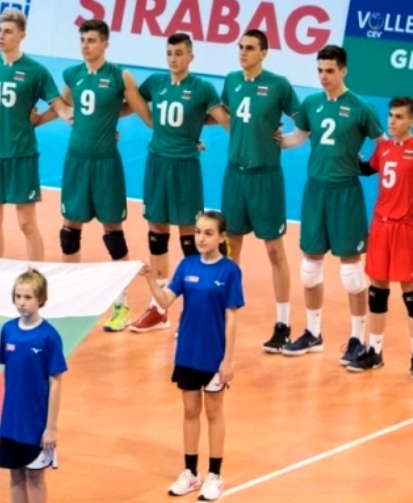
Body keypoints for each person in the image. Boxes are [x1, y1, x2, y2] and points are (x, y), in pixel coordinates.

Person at [279, 45, 386, 366]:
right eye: (320, 70)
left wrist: (368, 166)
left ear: (343, 71)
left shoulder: (361, 108)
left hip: (345, 193)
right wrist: (273, 140)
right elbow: (298, 138)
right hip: (315, 191)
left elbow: (384, 147)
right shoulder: (311, 103)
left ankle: (357, 339)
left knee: (352, 272)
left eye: (329, 71)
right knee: (309, 269)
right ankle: (313, 333)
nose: (324, 76)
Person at [53, 19, 151, 332]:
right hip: (76, 161)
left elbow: (144, 113)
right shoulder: (73, 74)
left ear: (105, 44)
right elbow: (63, 105)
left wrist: (188, 134)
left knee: (113, 234)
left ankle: (121, 306)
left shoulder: (120, 76)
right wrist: (36, 119)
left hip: (106, 164)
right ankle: (70, 297)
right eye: (83, 40)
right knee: (69, 231)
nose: (86, 45)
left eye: (92, 40)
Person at [140, 211, 242, 501]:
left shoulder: (230, 271)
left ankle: (215, 476)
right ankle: (190, 473)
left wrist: (228, 359)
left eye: (208, 233)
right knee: (189, 411)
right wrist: (151, 280)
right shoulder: (187, 265)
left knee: (214, 412)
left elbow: (231, 317)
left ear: (221, 237)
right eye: (198, 232)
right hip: (187, 352)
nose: (201, 238)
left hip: (214, 355)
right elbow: (165, 301)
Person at [128, 33, 225, 333]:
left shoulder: (202, 88)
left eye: (179, 53)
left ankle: (193, 310)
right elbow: (131, 102)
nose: (173, 58)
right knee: (157, 233)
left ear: (190, 57)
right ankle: (159, 309)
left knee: (191, 239)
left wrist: (194, 126)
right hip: (157, 164)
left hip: (185, 168)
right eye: (170, 53)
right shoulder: (155, 83)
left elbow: (221, 118)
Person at [349, 97, 413, 378]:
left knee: (411, 292)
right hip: (381, 227)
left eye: (399, 117)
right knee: (377, 290)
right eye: (391, 115)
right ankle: (374, 351)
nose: (392, 121)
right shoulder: (383, 148)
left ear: (412, 121)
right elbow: (367, 169)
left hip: (406, 228)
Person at [216, 29, 301, 352]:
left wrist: (288, 141)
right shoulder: (231, 81)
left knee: (275, 251)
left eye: (250, 48)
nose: (243, 52)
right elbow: (226, 113)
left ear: (264, 52)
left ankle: (283, 325)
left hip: (266, 178)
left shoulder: (279, 85)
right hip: (235, 176)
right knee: (230, 249)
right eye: (241, 47)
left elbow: (303, 119)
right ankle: (225, 314)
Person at [0, 9, 69, 261]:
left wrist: (44, 120)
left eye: (8, 32)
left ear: (22, 35)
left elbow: (61, 107)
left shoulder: (36, 71)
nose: (1, 36)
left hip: (22, 153)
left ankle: (37, 274)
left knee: (26, 223)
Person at [0, 269, 65, 503]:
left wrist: (51, 428)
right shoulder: (8, 330)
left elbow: (55, 383)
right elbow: (8, 373)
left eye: (28, 297)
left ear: (41, 299)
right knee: (15, 474)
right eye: (18, 296)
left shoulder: (49, 337)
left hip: (36, 424)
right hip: (11, 422)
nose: (21, 303)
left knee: (35, 477)